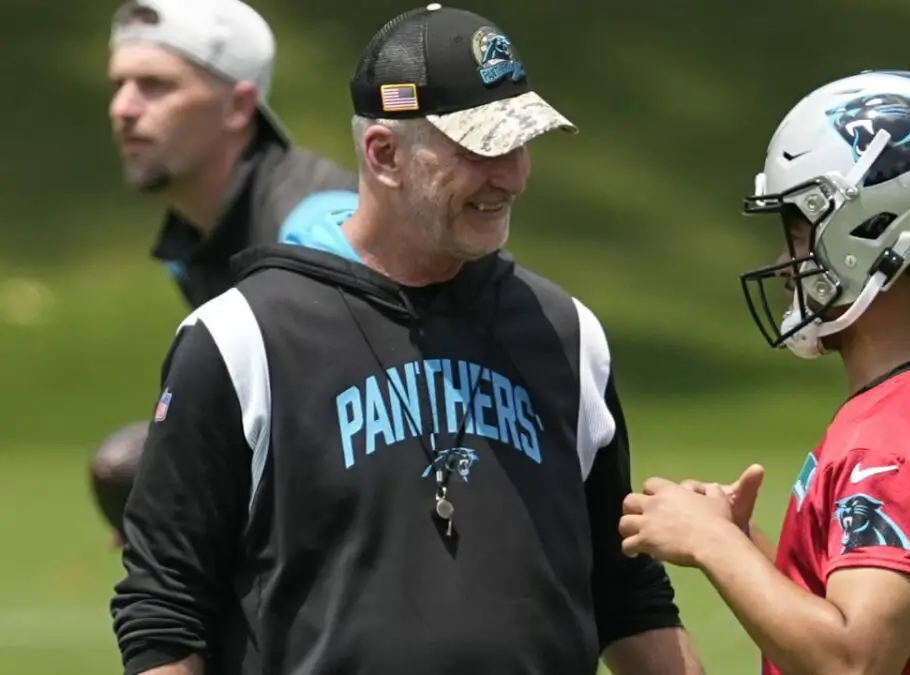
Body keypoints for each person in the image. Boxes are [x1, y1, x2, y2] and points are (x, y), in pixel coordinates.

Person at [110, 5, 704, 675]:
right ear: (384, 155)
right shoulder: (238, 339)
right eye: (479, 148)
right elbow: (164, 612)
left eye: (520, 142)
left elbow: (626, 595)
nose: (511, 175)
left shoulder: (567, 334)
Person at [618, 70, 910, 675]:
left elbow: (853, 659)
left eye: (797, 234)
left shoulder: (902, 435)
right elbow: (865, 606)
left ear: (868, 232)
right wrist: (742, 541)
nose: (786, 266)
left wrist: (711, 544)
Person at [93, 0, 358, 544]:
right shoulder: (197, 238)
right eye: (119, 84)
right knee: (132, 469)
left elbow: (376, 413)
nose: (123, 107)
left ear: (239, 107)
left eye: (155, 85)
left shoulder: (317, 229)